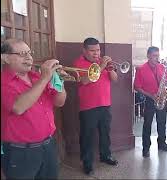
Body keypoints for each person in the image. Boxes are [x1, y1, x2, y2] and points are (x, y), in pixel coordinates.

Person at [1, 39, 67, 179]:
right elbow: (18, 107)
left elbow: (59, 102)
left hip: (48, 146)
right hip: (20, 152)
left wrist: (59, 81)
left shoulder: (37, 77)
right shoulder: (4, 82)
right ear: (5, 58)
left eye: (30, 53)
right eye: (22, 54)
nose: (29, 57)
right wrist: (45, 79)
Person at [73, 37, 118, 175]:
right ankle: (87, 163)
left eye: (98, 50)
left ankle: (105, 156)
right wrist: (102, 65)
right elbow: (85, 81)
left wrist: (110, 69)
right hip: (88, 107)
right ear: (84, 51)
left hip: (105, 104)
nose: (96, 53)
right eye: (92, 51)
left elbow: (114, 79)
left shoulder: (102, 63)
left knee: (105, 133)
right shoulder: (78, 63)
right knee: (87, 136)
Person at [134, 46, 167, 158]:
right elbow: (137, 87)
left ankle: (162, 144)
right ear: (148, 56)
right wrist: (150, 95)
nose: (156, 58)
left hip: (161, 99)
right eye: (154, 56)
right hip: (149, 100)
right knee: (147, 124)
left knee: (162, 123)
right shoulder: (141, 69)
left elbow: (166, 83)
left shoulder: (162, 67)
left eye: (158, 56)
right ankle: (146, 148)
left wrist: (165, 90)